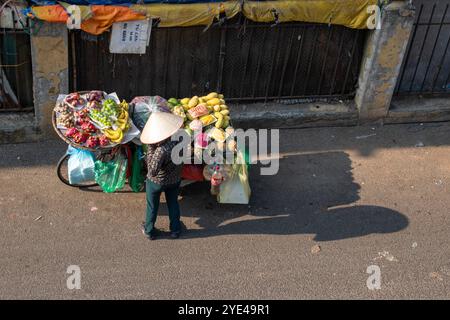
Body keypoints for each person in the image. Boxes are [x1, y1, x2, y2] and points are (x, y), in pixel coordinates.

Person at [140, 110, 184, 240]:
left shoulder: (160, 150)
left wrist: (150, 150)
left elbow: (152, 171)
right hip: (175, 179)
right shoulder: (181, 139)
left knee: (152, 206)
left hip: (157, 183)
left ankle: (149, 230)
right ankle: (175, 230)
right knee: (173, 203)